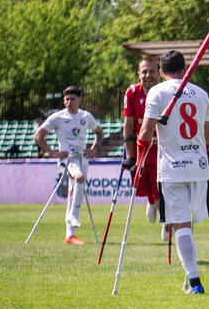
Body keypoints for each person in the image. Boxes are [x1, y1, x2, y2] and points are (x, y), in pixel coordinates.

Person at [137, 50, 209, 295]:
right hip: (199, 166)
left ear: (161, 72)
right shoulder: (202, 93)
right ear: (185, 69)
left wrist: (138, 151)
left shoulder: (156, 92)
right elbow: (208, 136)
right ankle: (189, 273)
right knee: (189, 225)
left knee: (180, 225)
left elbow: (146, 133)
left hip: (172, 168)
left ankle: (194, 281)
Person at [34, 86, 104, 245]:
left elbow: (99, 133)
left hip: (82, 158)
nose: (69, 102)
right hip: (67, 158)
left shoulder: (86, 116)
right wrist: (52, 153)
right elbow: (38, 136)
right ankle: (73, 216)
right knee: (79, 178)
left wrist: (93, 149)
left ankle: (70, 236)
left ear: (80, 100)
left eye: (72, 99)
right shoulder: (57, 117)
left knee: (74, 191)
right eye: (67, 99)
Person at [121, 56, 169, 241]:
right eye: (144, 72)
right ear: (138, 74)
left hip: (162, 150)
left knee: (162, 188)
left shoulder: (167, 92)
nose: (148, 75)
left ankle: (166, 221)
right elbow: (128, 123)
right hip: (142, 149)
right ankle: (151, 202)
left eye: (152, 71)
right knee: (145, 187)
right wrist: (130, 155)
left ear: (160, 73)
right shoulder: (132, 92)